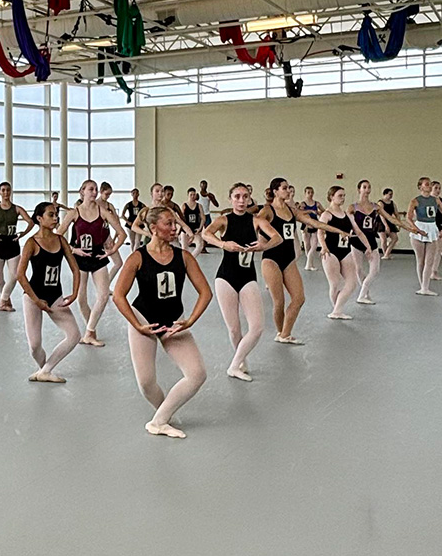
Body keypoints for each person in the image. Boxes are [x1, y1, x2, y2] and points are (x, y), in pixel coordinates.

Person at [112, 206, 212, 439]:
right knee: (146, 383)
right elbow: (118, 295)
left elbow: (205, 292)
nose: (175, 228)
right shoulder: (137, 257)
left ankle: (158, 421)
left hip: (172, 322)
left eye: (174, 223)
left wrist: (190, 321)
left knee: (197, 374)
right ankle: (163, 415)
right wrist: (137, 326)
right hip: (144, 319)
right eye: (169, 223)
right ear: (154, 228)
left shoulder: (184, 257)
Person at [202, 183, 281, 381]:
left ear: (249, 198)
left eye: (245, 196)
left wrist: (263, 246)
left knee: (257, 327)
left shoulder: (256, 221)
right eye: (237, 196)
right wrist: (223, 244)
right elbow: (205, 234)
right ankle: (240, 362)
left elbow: (277, 238)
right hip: (225, 277)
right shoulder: (224, 219)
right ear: (230, 199)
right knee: (234, 328)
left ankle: (234, 365)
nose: (241, 200)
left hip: (248, 276)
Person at [257, 178, 349, 345]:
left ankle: (284, 334)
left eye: (288, 188)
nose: (288, 191)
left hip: (288, 258)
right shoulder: (267, 210)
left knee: (299, 298)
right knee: (279, 301)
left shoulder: (292, 211)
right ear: (275, 191)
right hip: (271, 259)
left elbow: (314, 223)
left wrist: (338, 230)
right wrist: (258, 243)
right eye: (284, 188)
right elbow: (255, 225)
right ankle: (282, 333)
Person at [15, 202, 82, 383]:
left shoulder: (60, 240)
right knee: (34, 346)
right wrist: (37, 301)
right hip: (33, 296)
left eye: (56, 215)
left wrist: (74, 293)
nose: (55, 218)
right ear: (39, 218)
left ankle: (46, 370)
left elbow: (75, 269)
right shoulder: (31, 243)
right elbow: (20, 275)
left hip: (55, 296)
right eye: (51, 215)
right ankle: (44, 369)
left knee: (74, 335)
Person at [57, 180, 127, 347]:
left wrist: (112, 250)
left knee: (103, 296)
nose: (94, 192)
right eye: (91, 189)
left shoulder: (102, 211)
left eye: (96, 189)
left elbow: (122, 233)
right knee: (81, 299)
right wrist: (74, 250)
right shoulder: (74, 213)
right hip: (80, 259)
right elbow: (58, 236)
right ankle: (91, 330)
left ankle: (89, 331)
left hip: (97, 257)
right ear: (82, 191)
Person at [350, 180, 419, 304]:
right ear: (359, 189)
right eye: (364, 187)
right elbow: (346, 222)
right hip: (356, 241)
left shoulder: (376, 207)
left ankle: (362, 294)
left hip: (371, 240)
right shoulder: (353, 207)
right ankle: (365, 294)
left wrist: (408, 228)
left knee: (375, 270)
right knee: (358, 269)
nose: (367, 190)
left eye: (369, 187)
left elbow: (391, 218)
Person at [0, 182, 34, 312]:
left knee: (15, 275)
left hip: (12, 243)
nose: (5, 193)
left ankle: (2, 301)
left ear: (10, 192)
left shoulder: (17, 209)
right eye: (3, 190)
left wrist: (22, 234)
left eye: (8, 190)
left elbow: (31, 222)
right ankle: (6, 301)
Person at [317, 186, 372, 318]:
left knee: (352, 283)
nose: (342, 198)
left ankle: (337, 310)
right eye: (340, 195)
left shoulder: (347, 215)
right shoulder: (326, 214)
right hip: (330, 251)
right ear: (331, 197)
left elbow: (358, 232)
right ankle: (337, 310)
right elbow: (320, 231)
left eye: (344, 196)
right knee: (335, 283)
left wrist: (368, 246)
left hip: (345, 250)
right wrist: (323, 246)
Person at [408, 177, 442, 296]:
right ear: (420, 187)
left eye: (430, 184)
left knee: (430, 260)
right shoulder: (415, 201)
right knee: (420, 260)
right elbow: (408, 218)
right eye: (427, 184)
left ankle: (425, 287)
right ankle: (422, 285)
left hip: (432, 228)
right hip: (420, 229)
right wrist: (417, 230)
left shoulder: (436, 200)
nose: (429, 186)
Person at [98, 182, 125, 281]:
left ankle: (106, 284)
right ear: (101, 192)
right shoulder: (94, 205)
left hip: (106, 235)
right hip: (96, 238)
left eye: (109, 194)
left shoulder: (110, 206)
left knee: (118, 263)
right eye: (106, 194)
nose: (108, 196)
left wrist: (114, 237)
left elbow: (116, 222)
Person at [299, 187, 324, 271]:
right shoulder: (303, 204)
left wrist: (318, 213)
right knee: (307, 245)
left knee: (314, 246)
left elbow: (324, 211)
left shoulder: (317, 204)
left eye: (311, 192)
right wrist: (309, 211)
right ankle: (310, 263)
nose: (310, 194)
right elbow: (300, 213)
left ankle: (309, 264)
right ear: (305, 193)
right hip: (306, 225)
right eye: (308, 192)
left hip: (314, 225)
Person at [180, 188, 205, 256]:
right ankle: (185, 261)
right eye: (191, 195)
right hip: (186, 229)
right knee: (184, 248)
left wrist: (200, 228)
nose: (193, 196)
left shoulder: (199, 206)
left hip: (195, 229)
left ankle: (192, 258)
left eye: (194, 195)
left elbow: (203, 218)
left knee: (200, 245)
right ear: (188, 195)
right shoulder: (184, 205)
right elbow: (181, 218)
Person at [198, 180, 219, 253]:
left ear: (207, 186)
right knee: (199, 231)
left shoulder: (209, 195)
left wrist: (212, 197)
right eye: (202, 185)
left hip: (207, 215)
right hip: (199, 215)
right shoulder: (197, 195)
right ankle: (199, 246)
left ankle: (204, 247)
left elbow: (217, 205)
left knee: (208, 231)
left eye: (205, 185)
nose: (203, 186)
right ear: (200, 186)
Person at [378, 188, 400, 259]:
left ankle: (387, 253)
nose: (391, 196)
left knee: (395, 238)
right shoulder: (380, 203)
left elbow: (396, 213)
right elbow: (381, 215)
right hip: (381, 222)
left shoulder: (392, 203)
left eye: (392, 194)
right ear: (385, 194)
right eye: (390, 194)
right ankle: (385, 254)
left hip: (390, 221)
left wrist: (399, 223)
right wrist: (386, 225)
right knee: (383, 239)